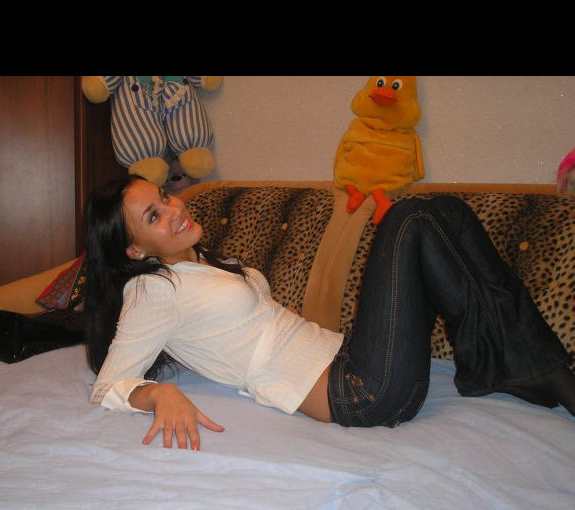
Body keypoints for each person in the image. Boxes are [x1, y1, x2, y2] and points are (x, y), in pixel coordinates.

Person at [85, 175, 575, 450]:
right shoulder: (151, 291)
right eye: (154, 216)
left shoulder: (207, 262)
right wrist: (158, 393)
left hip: (352, 359)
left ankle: (505, 363)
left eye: (165, 196)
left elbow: (246, 327)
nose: (174, 209)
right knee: (411, 218)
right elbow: (107, 386)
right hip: (360, 393)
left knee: (446, 213)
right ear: (133, 250)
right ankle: (527, 366)